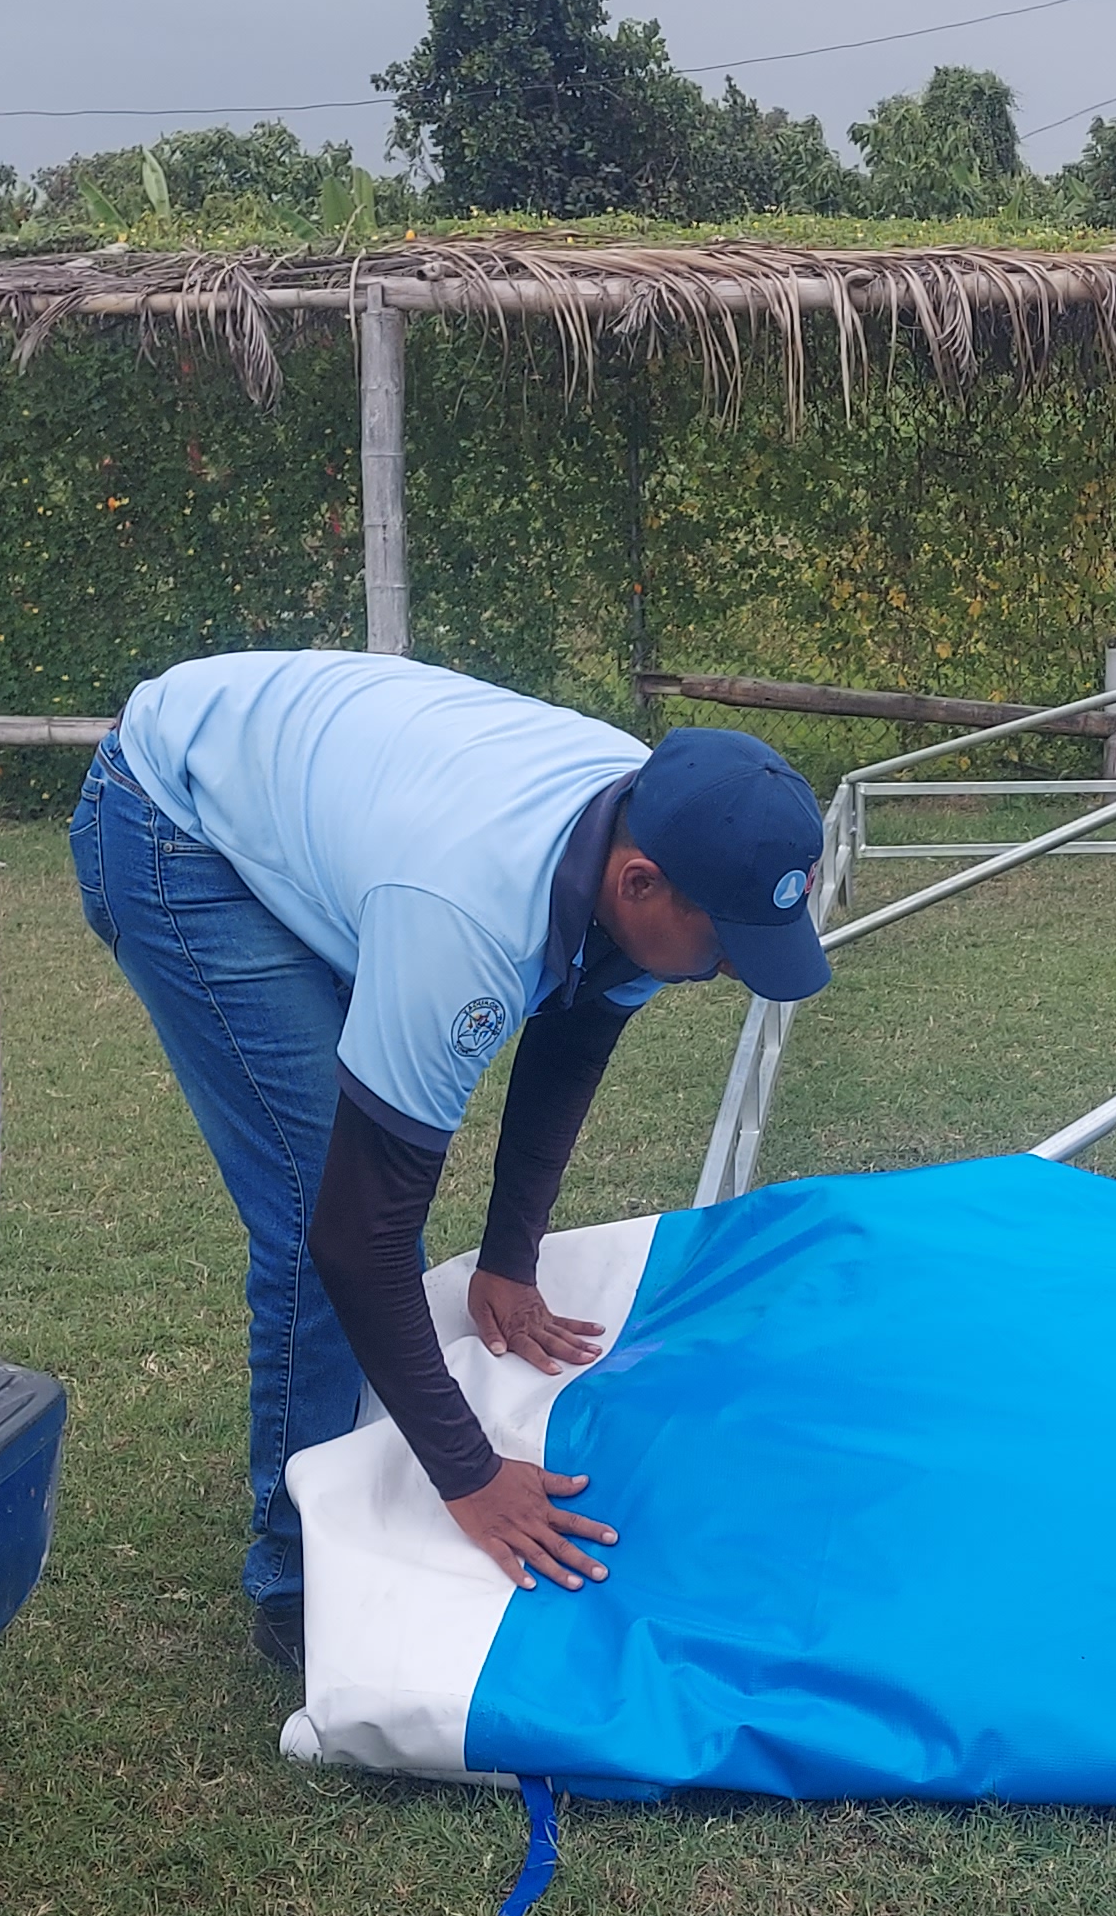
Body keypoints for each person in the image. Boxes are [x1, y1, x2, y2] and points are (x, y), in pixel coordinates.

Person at [72, 650, 832, 1667]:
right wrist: (473, 1477)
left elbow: (574, 1037)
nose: (732, 968)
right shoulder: (468, 921)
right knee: (320, 1204)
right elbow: (356, 1238)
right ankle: (301, 1579)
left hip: (339, 803)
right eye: (724, 945)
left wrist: (511, 1257)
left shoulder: (657, 833)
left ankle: (353, 1499)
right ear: (637, 883)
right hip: (176, 820)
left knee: (359, 1200)